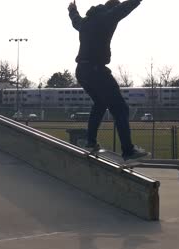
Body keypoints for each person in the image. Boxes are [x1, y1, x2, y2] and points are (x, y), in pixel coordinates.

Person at [68, 0, 148, 160]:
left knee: (100, 103)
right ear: (112, 8)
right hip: (96, 70)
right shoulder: (108, 17)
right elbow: (127, 6)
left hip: (82, 71)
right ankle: (128, 150)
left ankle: (90, 142)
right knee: (121, 109)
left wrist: (72, 10)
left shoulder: (86, 22)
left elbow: (75, 20)